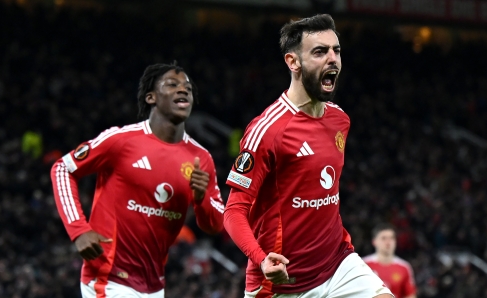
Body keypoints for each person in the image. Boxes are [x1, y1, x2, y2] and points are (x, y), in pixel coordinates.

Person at [223, 14, 393, 298]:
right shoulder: (267, 130)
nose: (333, 59)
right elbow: (234, 212)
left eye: (336, 50)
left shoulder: (340, 120)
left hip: (337, 264)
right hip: (281, 282)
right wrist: (262, 258)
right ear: (293, 62)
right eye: (320, 51)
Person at [50, 62, 225, 297]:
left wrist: (201, 199)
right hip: (109, 278)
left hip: (154, 286)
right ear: (151, 97)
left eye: (188, 88)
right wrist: (79, 230)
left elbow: (214, 225)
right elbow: (63, 168)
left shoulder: (201, 158)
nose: (183, 90)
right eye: (172, 85)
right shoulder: (121, 140)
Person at [363, 224, 417, 298]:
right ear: (374, 241)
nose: (388, 242)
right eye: (383, 238)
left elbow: (410, 295)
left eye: (391, 238)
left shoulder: (404, 267)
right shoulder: (363, 265)